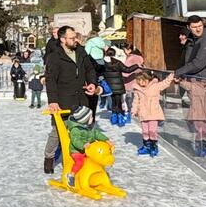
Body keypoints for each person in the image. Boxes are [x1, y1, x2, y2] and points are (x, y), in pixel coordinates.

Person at [43, 25, 103, 175]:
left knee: (82, 131)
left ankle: (79, 160)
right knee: (58, 132)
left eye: (75, 37)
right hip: (63, 99)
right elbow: (50, 80)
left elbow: (90, 69)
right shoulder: (55, 56)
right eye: (71, 38)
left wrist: (92, 83)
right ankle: (49, 158)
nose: (75, 40)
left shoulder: (81, 52)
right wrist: (53, 101)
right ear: (63, 39)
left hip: (81, 99)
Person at [175, 15, 206, 157]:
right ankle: (201, 144)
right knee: (199, 115)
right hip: (196, 82)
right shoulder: (193, 40)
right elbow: (188, 60)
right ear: (189, 27)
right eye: (194, 27)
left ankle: (202, 144)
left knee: (204, 116)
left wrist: (179, 72)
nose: (198, 29)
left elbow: (199, 62)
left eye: (200, 26)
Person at [131, 70, 175, 157]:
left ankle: (153, 146)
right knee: (145, 131)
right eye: (139, 80)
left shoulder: (155, 86)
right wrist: (134, 110)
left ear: (148, 79)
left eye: (142, 80)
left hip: (153, 113)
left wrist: (172, 76)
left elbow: (165, 83)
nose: (140, 83)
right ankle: (146, 146)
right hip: (143, 113)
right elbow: (136, 101)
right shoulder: (137, 89)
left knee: (152, 131)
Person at [64, 105, 110, 180]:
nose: (92, 118)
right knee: (80, 162)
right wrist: (83, 145)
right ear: (84, 120)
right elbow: (75, 140)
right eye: (91, 117)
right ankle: (71, 175)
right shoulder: (75, 130)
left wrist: (106, 140)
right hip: (77, 151)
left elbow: (96, 133)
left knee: (96, 158)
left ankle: (97, 174)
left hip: (88, 149)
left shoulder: (89, 126)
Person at [103, 48, 142, 127]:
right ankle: (120, 117)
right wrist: (136, 66)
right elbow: (127, 70)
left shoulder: (103, 63)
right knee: (119, 102)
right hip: (119, 86)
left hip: (109, 86)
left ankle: (114, 117)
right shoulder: (117, 62)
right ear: (114, 54)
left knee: (113, 101)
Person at [122, 45, 145, 122]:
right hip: (138, 81)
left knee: (130, 99)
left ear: (129, 50)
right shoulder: (140, 57)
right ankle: (138, 112)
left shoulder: (131, 58)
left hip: (130, 81)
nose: (124, 52)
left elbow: (125, 71)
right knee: (138, 98)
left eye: (125, 50)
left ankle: (130, 114)